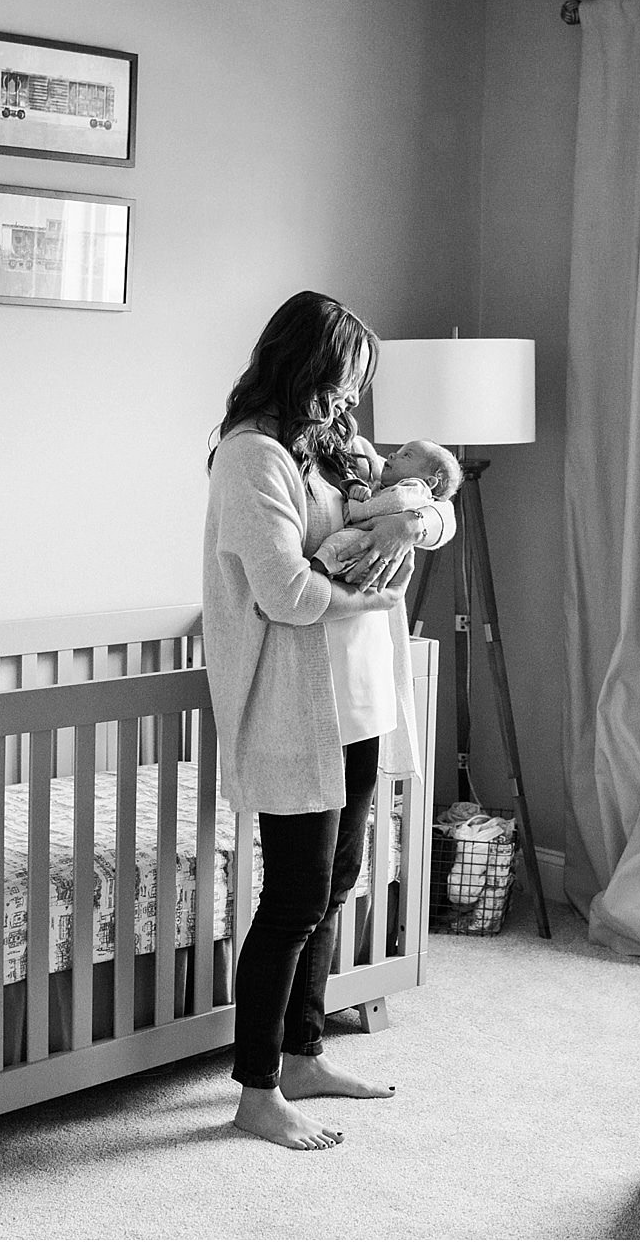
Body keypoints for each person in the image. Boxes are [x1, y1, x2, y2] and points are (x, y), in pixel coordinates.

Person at [202, 290, 456, 1151]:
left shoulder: (332, 448)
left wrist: (416, 516)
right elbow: (284, 592)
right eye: (343, 381)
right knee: (295, 893)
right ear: (302, 367)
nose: (352, 401)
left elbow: (429, 508)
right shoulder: (252, 459)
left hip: (355, 701)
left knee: (339, 877)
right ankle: (257, 1088)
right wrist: (377, 581)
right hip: (291, 707)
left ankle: (304, 1049)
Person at [311, 438, 463, 578]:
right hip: (358, 586)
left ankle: (316, 572)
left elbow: (401, 502)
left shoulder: (415, 487)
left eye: (406, 455)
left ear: (429, 481)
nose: (391, 455)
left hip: (366, 542)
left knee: (337, 544)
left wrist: (411, 525)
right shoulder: (390, 482)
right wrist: (356, 488)